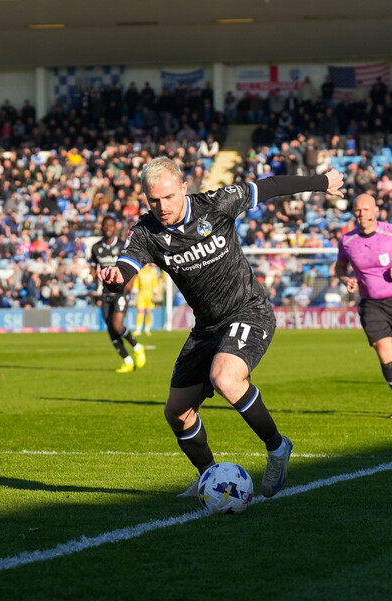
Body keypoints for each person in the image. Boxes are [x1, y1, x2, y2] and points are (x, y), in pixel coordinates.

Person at [100, 157, 344, 497]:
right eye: (153, 200)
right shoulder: (146, 232)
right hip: (207, 328)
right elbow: (126, 266)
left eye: (169, 197)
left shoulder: (217, 204)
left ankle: (277, 447)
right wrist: (115, 279)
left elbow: (270, 187)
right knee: (177, 413)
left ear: (184, 188)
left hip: (248, 310)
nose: (162, 206)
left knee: (225, 378)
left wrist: (322, 181)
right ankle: (209, 477)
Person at [334, 193, 392, 420]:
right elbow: (339, 268)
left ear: (376, 211)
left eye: (366, 209)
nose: (361, 214)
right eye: (358, 210)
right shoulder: (347, 241)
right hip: (371, 305)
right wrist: (347, 280)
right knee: (383, 351)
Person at [90, 215, 146, 374]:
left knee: (117, 325)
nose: (108, 228)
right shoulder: (96, 248)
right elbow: (94, 268)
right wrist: (93, 282)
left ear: (115, 228)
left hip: (121, 290)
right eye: (105, 225)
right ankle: (127, 361)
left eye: (110, 225)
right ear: (101, 227)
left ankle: (137, 346)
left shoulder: (123, 246)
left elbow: (133, 266)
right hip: (105, 292)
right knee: (110, 328)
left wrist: (129, 284)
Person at [132, 263, 161, 335]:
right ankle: (138, 329)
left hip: (150, 294)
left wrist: (155, 289)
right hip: (141, 293)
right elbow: (137, 281)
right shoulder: (140, 271)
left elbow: (155, 280)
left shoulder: (152, 271)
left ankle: (147, 328)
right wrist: (135, 289)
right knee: (140, 311)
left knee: (148, 311)